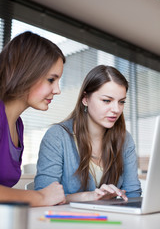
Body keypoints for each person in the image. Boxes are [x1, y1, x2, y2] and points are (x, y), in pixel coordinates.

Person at [35, 65, 142, 203]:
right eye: (106, 100)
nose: (116, 109)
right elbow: (42, 197)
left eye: (121, 102)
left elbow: (133, 193)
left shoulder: (125, 139)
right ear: (85, 99)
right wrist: (86, 196)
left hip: (112, 222)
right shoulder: (57, 137)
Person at [0, 31, 66, 206]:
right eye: (51, 80)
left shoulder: (17, 126)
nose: (58, 90)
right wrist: (41, 197)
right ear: (26, 73)